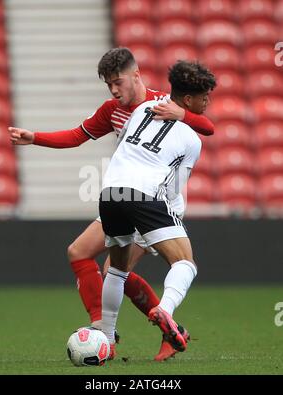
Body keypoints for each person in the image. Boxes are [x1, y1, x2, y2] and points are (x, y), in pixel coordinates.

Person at [8, 48, 215, 361]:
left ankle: (114, 332)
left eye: (118, 82)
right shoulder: (114, 110)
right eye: (109, 85)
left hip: (119, 193)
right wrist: (34, 137)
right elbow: (77, 135)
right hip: (146, 196)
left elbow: (205, 125)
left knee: (113, 270)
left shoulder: (156, 104)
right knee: (86, 254)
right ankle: (119, 327)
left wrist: (183, 114)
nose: (114, 90)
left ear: (136, 75)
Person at [99, 60, 216, 359]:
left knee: (115, 269)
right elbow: (173, 188)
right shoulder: (191, 138)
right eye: (205, 98)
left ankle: (107, 340)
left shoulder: (141, 110)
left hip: (110, 191)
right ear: (188, 100)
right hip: (144, 196)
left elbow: (123, 146)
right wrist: (156, 225)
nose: (208, 102)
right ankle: (165, 311)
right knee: (185, 263)